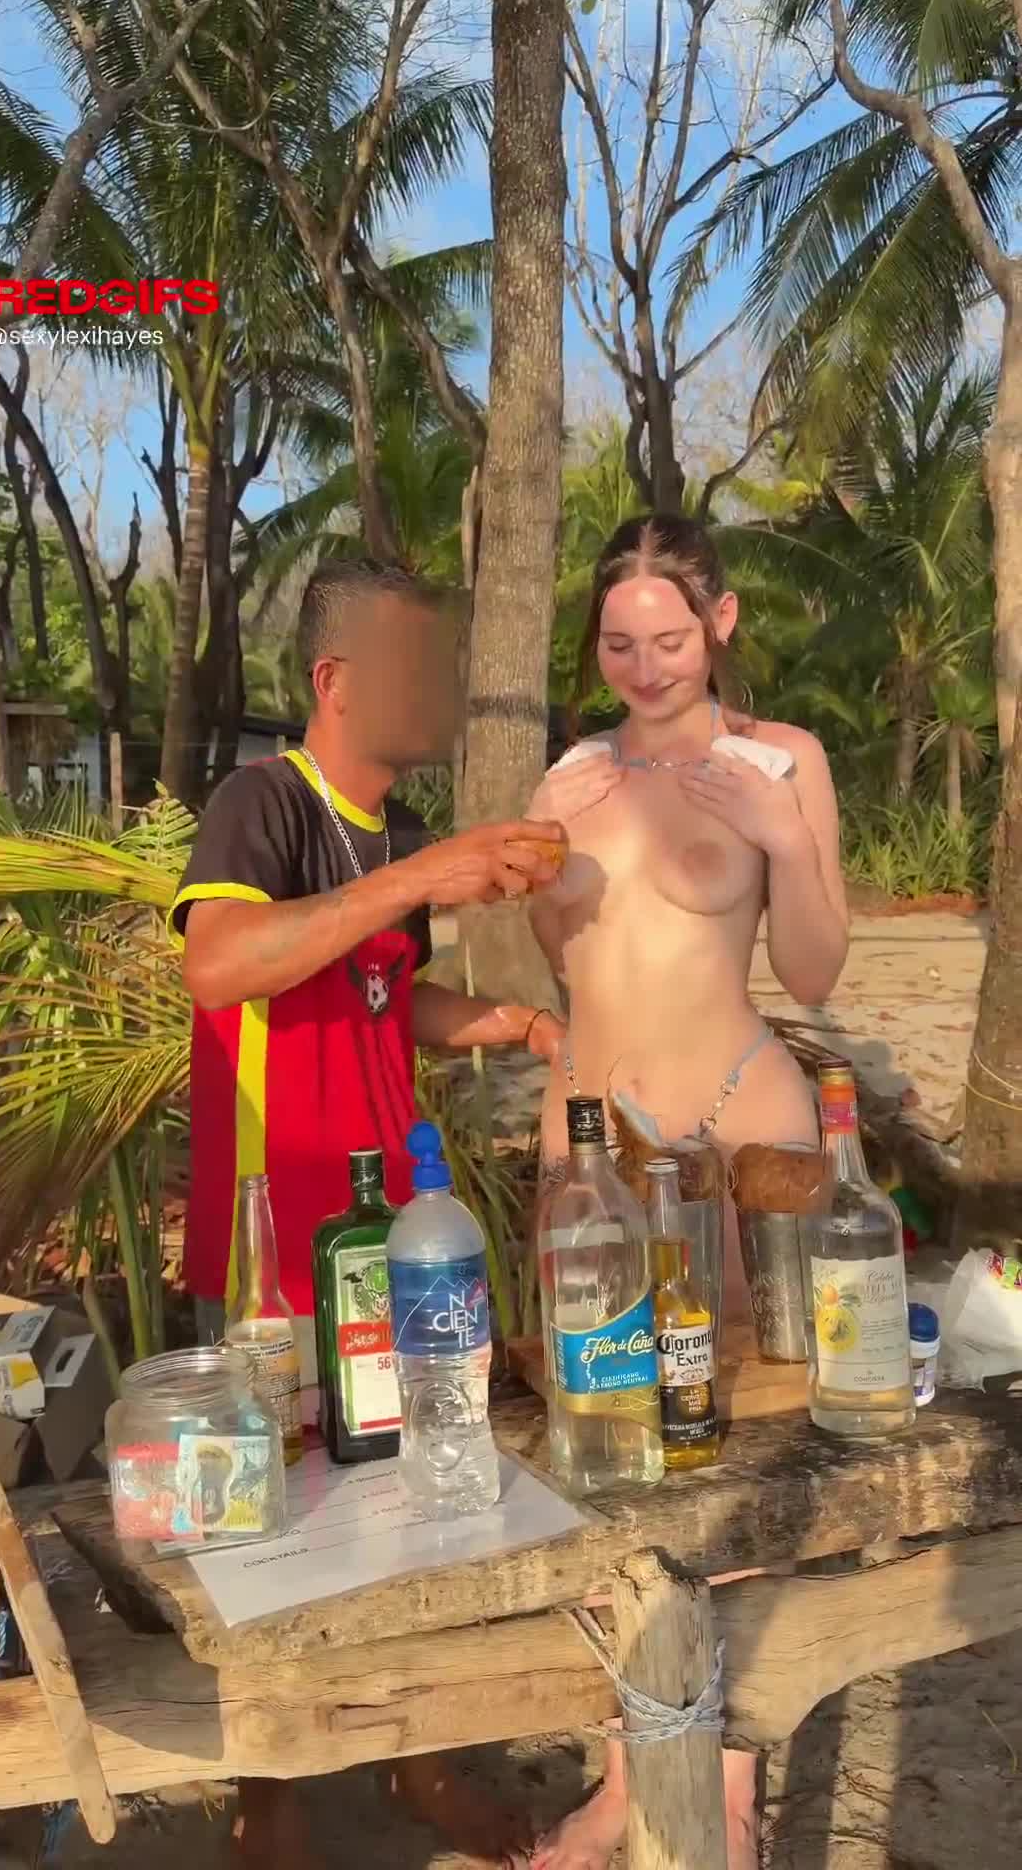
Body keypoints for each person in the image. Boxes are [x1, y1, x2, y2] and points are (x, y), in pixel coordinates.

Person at [521, 513, 849, 1870]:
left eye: (668, 638)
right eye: (618, 644)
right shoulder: (567, 778)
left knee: (744, 1455)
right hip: (596, 1141)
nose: (646, 666)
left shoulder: (783, 760)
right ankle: (628, 1764)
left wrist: (785, 837)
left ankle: (724, 1783)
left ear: (718, 622)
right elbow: (559, 961)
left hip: (739, 1120)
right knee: (607, 1437)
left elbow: (816, 970)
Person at [171, 556, 568, 1377]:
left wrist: (530, 1027)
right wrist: (418, 878)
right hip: (275, 1262)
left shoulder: (404, 832)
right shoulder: (262, 802)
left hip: (395, 1236)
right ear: (334, 682)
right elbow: (215, 964)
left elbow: (387, 1001)